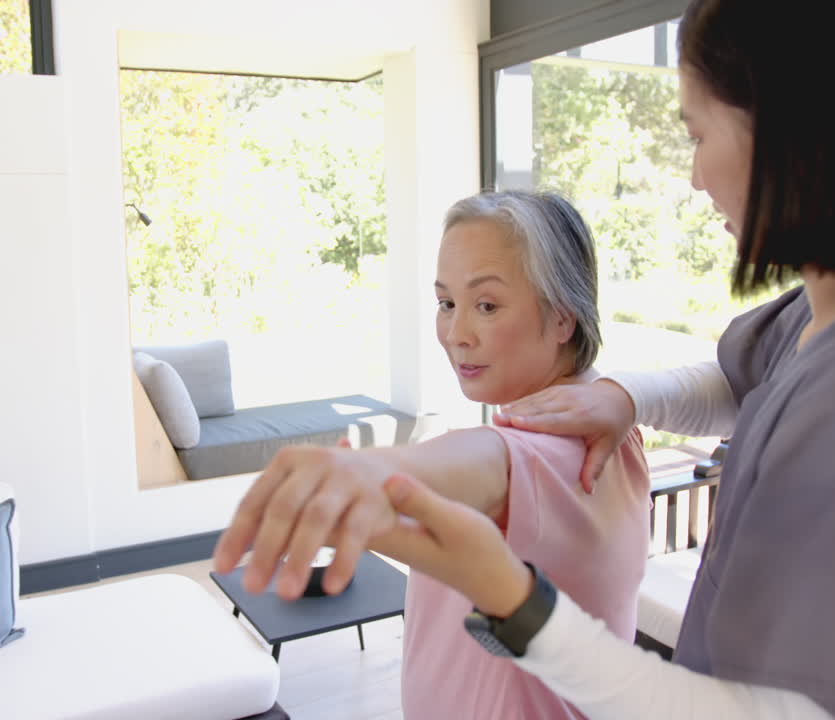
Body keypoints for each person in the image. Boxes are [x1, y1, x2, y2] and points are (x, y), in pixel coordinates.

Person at [375, 0, 835, 718]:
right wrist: (628, 397)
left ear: (792, 131)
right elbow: (739, 378)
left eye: (698, 133)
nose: (695, 176)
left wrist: (513, 599)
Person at [214, 190, 652, 719]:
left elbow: (492, 461)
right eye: (446, 303)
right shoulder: (610, 427)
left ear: (563, 318)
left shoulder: (566, 453)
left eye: (486, 305)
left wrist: (373, 469)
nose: (455, 334)